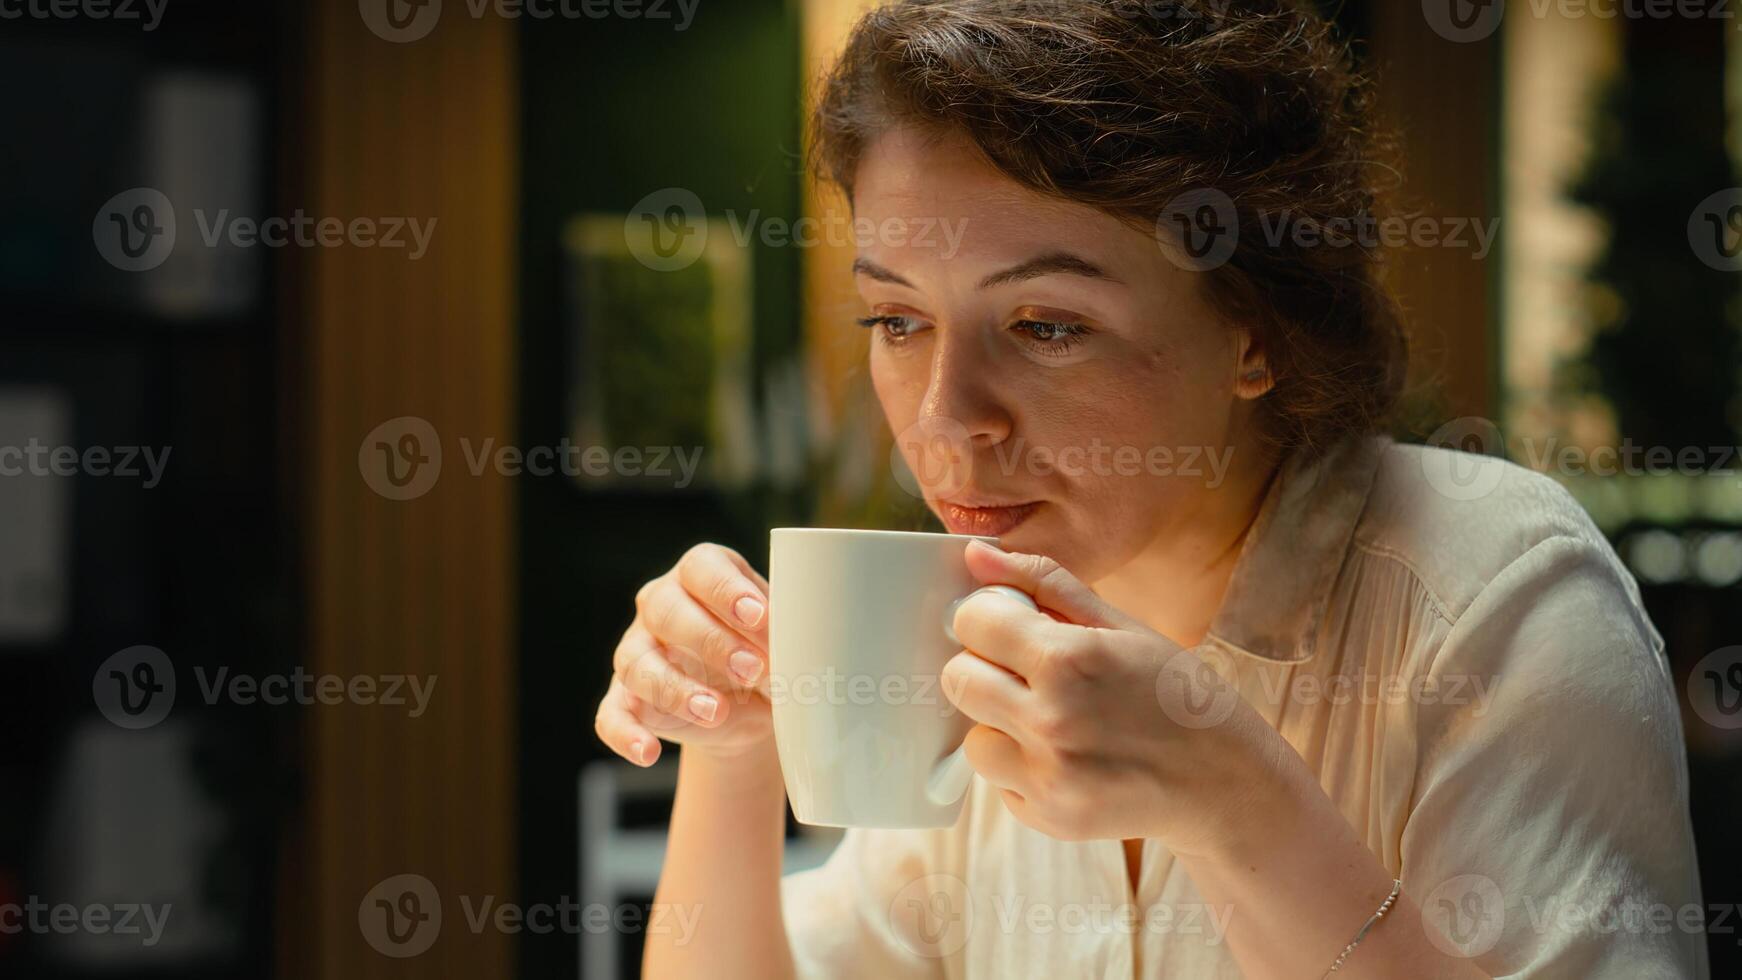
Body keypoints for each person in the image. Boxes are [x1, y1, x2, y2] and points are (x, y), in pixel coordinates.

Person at [592, 1, 1706, 976]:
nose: (941, 418)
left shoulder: (1493, 597)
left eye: (1045, 324)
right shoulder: (972, 621)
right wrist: (732, 748)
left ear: (1254, 330)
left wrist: (1237, 805)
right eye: (895, 319)